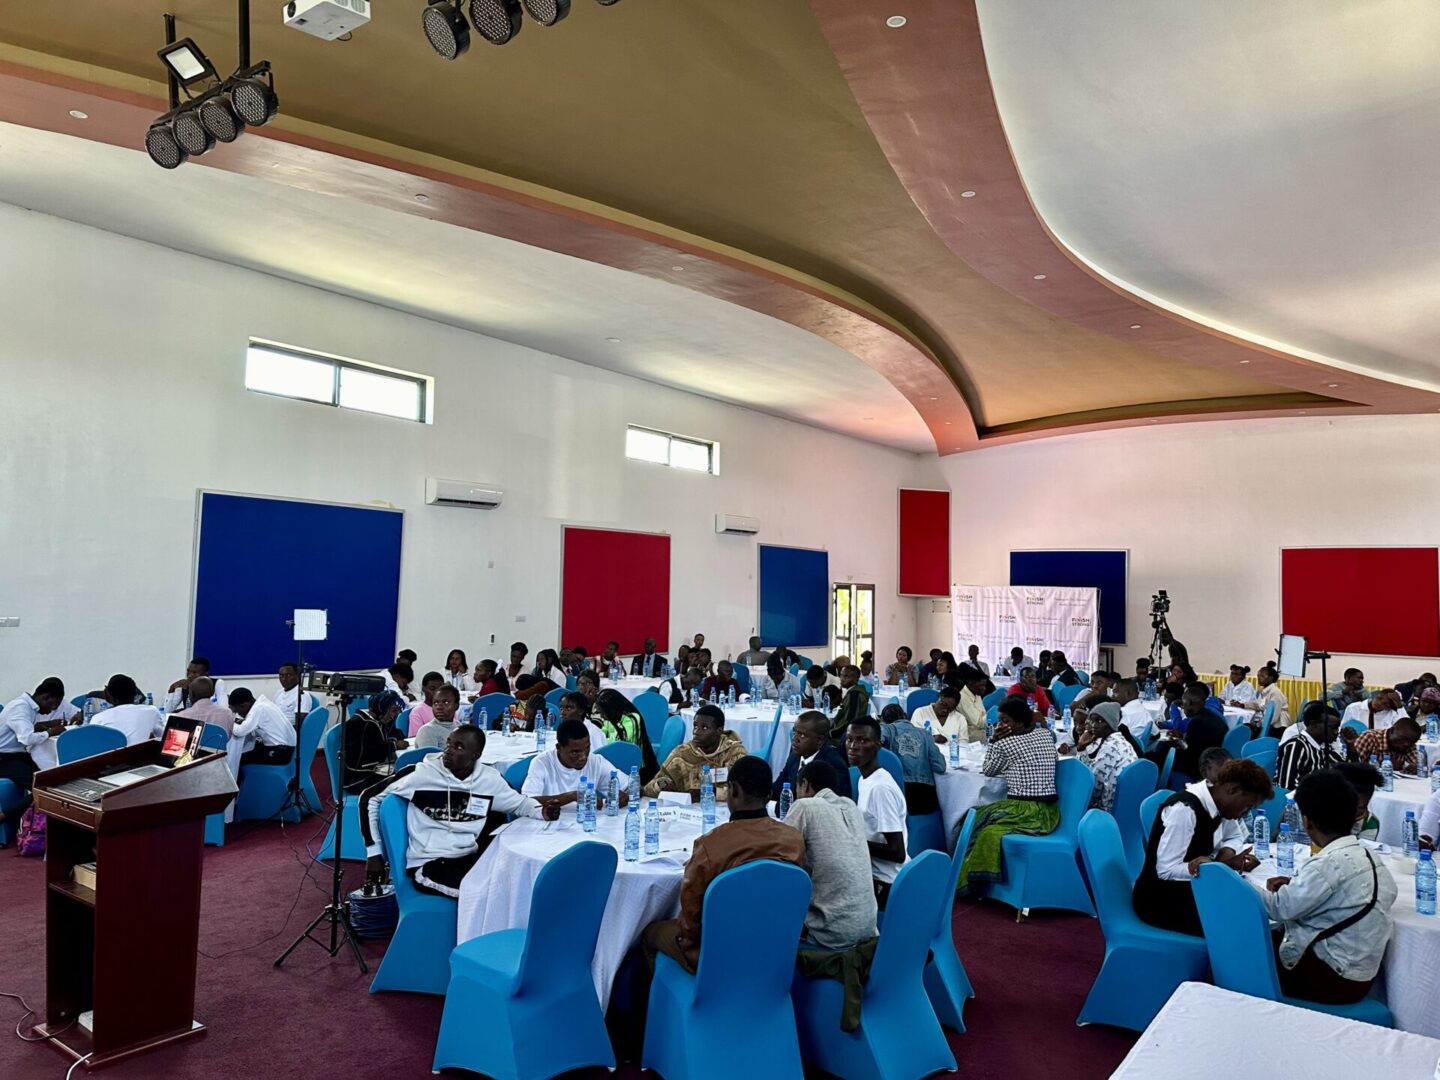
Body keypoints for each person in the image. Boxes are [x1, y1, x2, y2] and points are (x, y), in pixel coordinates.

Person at [641, 755, 803, 972]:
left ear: (733, 790)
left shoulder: (710, 846)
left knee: (650, 933)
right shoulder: (793, 840)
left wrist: (687, 945)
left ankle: (670, 1001)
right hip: (775, 950)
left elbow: (690, 921)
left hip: (715, 955)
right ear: (768, 794)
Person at [362, 726, 559, 897]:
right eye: (448, 744)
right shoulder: (420, 774)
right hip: (429, 863)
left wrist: (543, 812)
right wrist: (374, 852)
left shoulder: (489, 780)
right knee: (489, 896)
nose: (448, 751)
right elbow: (369, 798)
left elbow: (519, 804)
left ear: (476, 755)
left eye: (459, 747)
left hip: (470, 858)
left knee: (515, 885)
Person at [1262, 769, 1397, 1005]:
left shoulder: (1327, 865)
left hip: (1332, 979)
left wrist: (1233, 881)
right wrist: (1299, 886)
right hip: (1359, 976)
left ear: (1307, 822)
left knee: (1242, 957)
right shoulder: (1368, 856)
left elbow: (1279, 908)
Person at [1132, 758, 1272, 935]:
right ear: (1233, 790)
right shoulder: (1184, 809)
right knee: (1240, 919)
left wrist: (1227, 857)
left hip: (1191, 890)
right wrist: (1215, 867)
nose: (1245, 812)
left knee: (1247, 904)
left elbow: (1235, 835)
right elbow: (1165, 870)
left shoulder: (1220, 804)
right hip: (1159, 899)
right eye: (1247, 806)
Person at [956, 698, 1060, 891]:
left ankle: (969, 879)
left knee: (975, 819)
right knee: (978, 817)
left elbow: (988, 769)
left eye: (1005, 721)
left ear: (1019, 722)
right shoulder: (1045, 734)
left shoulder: (1006, 744)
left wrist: (995, 740)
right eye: (999, 721)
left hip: (1024, 811)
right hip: (1049, 810)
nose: (1000, 725)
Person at [783, 760, 878, 950]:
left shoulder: (805, 806)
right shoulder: (851, 806)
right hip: (868, 928)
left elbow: (780, 855)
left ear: (805, 785)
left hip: (830, 935)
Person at [846, 716, 908, 905]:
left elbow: (898, 852)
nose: (853, 746)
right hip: (872, 871)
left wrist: (853, 842)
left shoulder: (880, 788)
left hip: (885, 881)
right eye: (850, 739)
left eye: (862, 740)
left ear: (877, 745)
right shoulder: (865, 778)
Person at [644, 705, 746, 800]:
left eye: (704, 728)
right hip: (686, 813)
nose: (696, 732)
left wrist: (710, 793)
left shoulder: (735, 753)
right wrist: (661, 786)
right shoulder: (681, 754)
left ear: (719, 731)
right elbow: (648, 788)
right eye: (695, 726)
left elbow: (746, 791)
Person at [522, 718, 627, 806]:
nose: (583, 757)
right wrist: (572, 796)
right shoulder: (541, 763)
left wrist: (624, 796)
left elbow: (630, 785)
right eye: (575, 752)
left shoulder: (595, 761)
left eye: (587, 748)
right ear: (559, 748)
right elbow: (526, 803)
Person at [0, 677, 76, 793]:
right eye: (54, 705)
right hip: (4, 758)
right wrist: (50, 732)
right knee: (42, 788)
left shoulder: (28, 707)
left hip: (17, 755)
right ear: (46, 697)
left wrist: (43, 726)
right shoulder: (20, 707)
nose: (52, 710)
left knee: (51, 778)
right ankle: (12, 812)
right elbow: (26, 738)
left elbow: (22, 729)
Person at [1063, 701, 1139, 812]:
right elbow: (1091, 770)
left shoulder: (1111, 746)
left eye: (1100, 721)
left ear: (1111, 723)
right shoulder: (1115, 739)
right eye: (1092, 721)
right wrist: (1081, 748)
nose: (1094, 725)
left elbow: (1092, 786)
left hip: (1109, 806)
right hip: (1125, 801)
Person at [878, 704, 946, 815]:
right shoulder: (925, 733)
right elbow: (940, 767)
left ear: (884, 720)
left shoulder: (887, 729)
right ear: (905, 716)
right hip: (926, 795)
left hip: (899, 792)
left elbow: (875, 744)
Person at [771, 710, 852, 801]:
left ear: (819, 741)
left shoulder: (833, 765)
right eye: (794, 733)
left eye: (802, 735)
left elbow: (833, 806)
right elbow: (779, 786)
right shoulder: (795, 756)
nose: (794, 739)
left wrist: (776, 808)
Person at [343, 689, 409, 794]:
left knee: (407, 774)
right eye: (393, 710)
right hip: (358, 779)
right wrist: (393, 745)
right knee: (405, 780)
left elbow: (392, 734)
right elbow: (364, 755)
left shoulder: (377, 720)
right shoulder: (361, 724)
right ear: (381, 709)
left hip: (372, 771)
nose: (395, 715)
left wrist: (393, 741)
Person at [594, 688, 661, 780]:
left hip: (637, 769)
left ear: (611, 709)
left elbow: (620, 744)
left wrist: (604, 739)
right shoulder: (609, 720)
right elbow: (601, 734)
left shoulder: (632, 719)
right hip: (616, 763)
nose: (602, 716)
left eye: (603, 713)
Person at [1276, 702, 1343, 790]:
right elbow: (1287, 786)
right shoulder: (1296, 746)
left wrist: (1351, 747)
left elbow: (1346, 772)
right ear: (1313, 724)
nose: (1336, 732)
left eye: (1337, 728)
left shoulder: (1324, 748)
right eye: (1333, 727)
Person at [230, 687, 297, 766]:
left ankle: (239, 779)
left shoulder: (258, 709)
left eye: (236, 711)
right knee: (251, 749)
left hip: (282, 752)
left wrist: (228, 721)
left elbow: (240, 731)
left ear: (243, 705)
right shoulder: (263, 704)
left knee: (238, 759)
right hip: (287, 747)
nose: (238, 714)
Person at [90, 674, 164, 745]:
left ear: (108, 695)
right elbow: (163, 738)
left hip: (111, 757)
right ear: (136, 693)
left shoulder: (98, 719)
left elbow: (91, 747)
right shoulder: (151, 711)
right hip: (145, 756)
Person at [1347, 716, 1422, 776]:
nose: (1407, 744)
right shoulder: (1370, 737)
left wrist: (1416, 767)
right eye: (1403, 739)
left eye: (1411, 742)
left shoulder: (1408, 744)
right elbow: (1353, 766)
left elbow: (1419, 764)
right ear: (1392, 730)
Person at [910, 684, 982, 745]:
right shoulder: (920, 713)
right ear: (939, 697)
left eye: (950, 709)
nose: (945, 710)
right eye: (944, 704)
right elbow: (913, 738)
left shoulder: (960, 719)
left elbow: (963, 743)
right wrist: (932, 739)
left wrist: (948, 743)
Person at [1338, 761, 1384, 841]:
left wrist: (1348, 826)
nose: (1353, 811)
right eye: (1348, 805)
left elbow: (1356, 850)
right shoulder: (1320, 816)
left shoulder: (1369, 824)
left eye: (1360, 808)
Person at [414, 685, 464, 750]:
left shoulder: (458, 726)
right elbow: (429, 759)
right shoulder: (427, 731)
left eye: (446, 702)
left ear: (456, 706)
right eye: (436, 703)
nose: (439, 707)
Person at [1249, 662, 1291, 735]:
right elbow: (1258, 705)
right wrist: (1242, 705)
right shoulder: (1263, 690)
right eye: (1258, 675)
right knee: (1247, 727)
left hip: (1278, 726)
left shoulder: (1275, 693)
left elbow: (1273, 717)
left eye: (1262, 676)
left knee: (1249, 731)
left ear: (1271, 678)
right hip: (1267, 722)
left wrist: (1258, 724)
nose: (1258, 678)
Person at [405, 671, 446, 738]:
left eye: (440, 688)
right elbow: (415, 738)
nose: (437, 692)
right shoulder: (417, 712)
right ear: (424, 689)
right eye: (432, 689)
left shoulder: (449, 708)